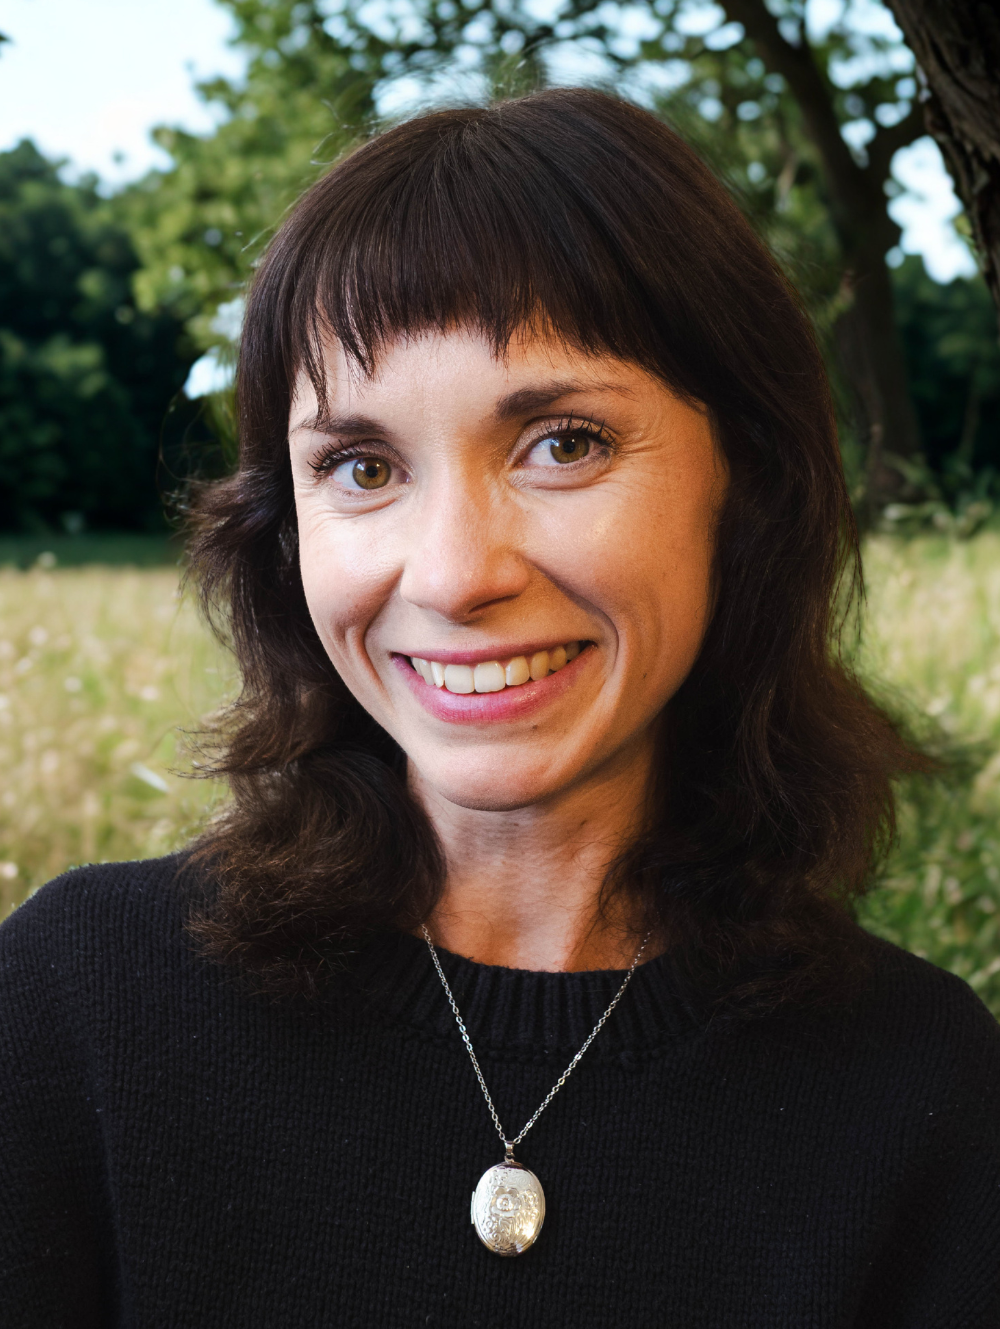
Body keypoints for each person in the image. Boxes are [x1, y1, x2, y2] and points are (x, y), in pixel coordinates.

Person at [1, 88, 998, 1328]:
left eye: (563, 442)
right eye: (362, 468)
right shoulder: (75, 1008)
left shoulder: (927, 1095)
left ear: (746, 483)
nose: (456, 572)